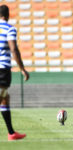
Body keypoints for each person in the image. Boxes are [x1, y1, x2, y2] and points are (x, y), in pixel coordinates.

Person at [0, 5, 29, 140]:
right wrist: (22, 68)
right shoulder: (9, 29)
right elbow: (14, 49)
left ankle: (11, 133)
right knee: (2, 97)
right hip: (2, 69)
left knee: (5, 98)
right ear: (8, 15)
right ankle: (11, 133)